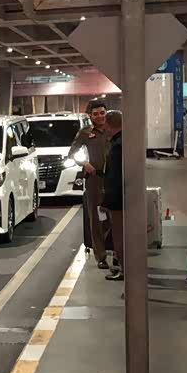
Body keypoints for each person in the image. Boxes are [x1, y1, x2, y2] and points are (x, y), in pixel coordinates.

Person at [70, 101, 111, 269]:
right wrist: (84, 163)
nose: (100, 116)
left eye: (102, 113)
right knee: (95, 219)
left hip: (113, 179)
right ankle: (101, 256)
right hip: (94, 180)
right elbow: (72, 153)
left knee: (114, 217)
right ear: (90, 116)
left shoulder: (113, 129)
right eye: (96, 114)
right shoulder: (85, 133)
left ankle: (117, 252)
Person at [101, 110, 123, 281]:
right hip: (125, 198)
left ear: (109, 125)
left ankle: (124, 270)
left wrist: (107, 201)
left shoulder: (117, 146)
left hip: (118, 201)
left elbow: (114, 177)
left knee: (120, 237)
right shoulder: (124, 141)